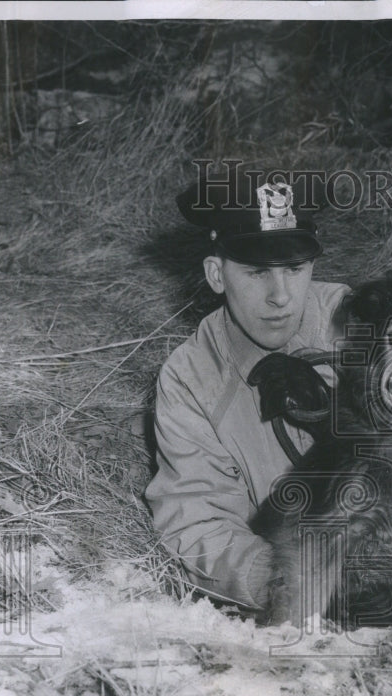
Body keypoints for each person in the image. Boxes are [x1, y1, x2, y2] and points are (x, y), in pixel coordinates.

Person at [145, 170, 349, 611]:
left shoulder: (361, 324)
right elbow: (198, 523)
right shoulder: (191, 378)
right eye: (257, 272)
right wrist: (299, 586)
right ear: (217, 275)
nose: (281, 296)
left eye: (295, 269)